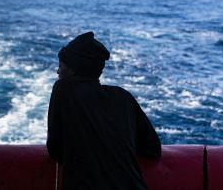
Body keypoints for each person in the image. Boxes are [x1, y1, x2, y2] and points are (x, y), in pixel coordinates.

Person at [47, 32, 161, 190]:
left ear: (72, 70)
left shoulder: (63, 90)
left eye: (61, 65)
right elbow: (153, 149)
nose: (58, 72)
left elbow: (56, 150)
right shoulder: (123, 97)